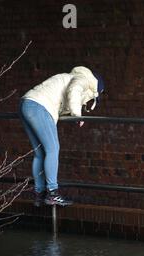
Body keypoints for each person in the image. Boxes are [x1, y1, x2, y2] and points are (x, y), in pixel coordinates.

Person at [19, 66, 104, 207]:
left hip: (26, 104)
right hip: (39, 106)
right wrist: (77, 114)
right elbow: (74, 90)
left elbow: (60, 104)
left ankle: (39, 194)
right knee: (53, 149)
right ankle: (52, 193)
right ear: (94, 91)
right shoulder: (83, 79)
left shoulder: (68, 77)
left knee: (39, 153)